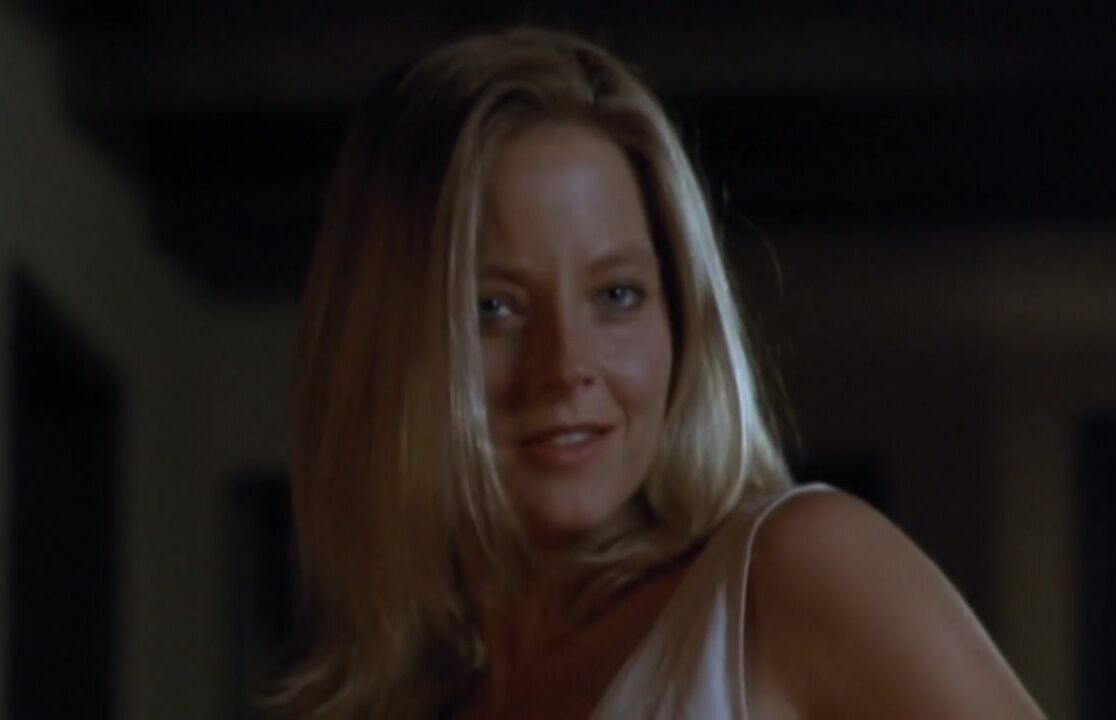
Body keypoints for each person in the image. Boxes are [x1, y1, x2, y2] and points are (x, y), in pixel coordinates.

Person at [273, 27, 1044, 719]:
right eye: (493, 308)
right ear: (382, 347)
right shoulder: (404, 703)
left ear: (682, 314)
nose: (564, 368)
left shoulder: (786, 579)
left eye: (616, 295)